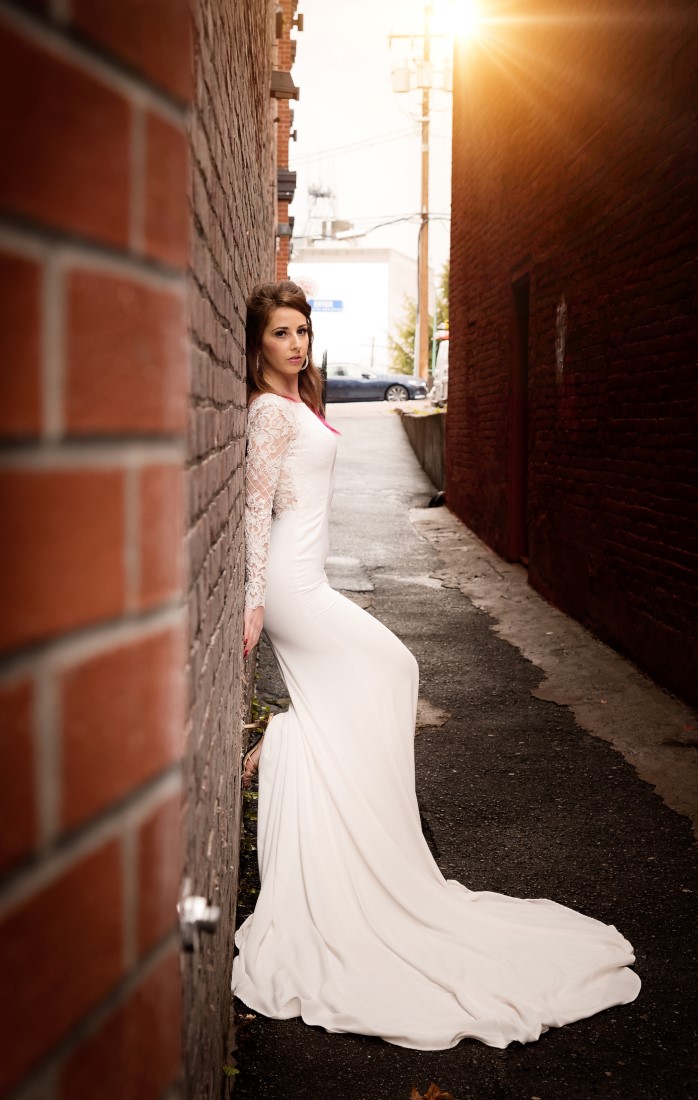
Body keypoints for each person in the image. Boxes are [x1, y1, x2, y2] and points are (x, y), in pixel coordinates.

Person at [231, 280, 640, 1050]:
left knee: (389, 674)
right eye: (280, 333)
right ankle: (283, 750)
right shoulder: (266, 413)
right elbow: (256, 510)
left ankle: (296, 761)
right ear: (258, 343)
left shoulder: (296, 401)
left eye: (301, 331)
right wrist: (254, 601)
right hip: (288, 585)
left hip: (308, 578)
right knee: (392, 667)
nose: (295, 345)